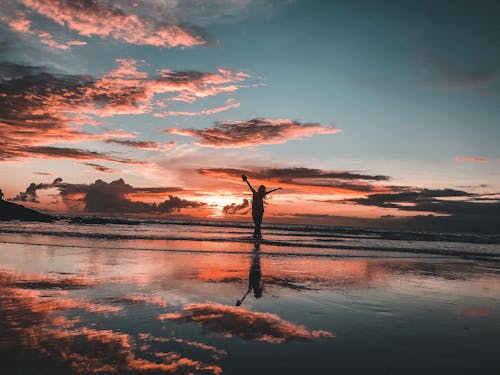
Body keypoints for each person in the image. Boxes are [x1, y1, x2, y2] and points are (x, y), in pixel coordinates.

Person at [242, 174, 282, 239]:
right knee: (258, 224)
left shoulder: (257, 193)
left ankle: (256, 235)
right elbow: (251, 187)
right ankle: (257, 235)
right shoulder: (258, 193)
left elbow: (250, 187)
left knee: (257, 224)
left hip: (256, 210)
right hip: (259, 210)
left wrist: (247, 181)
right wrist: (246, 181)